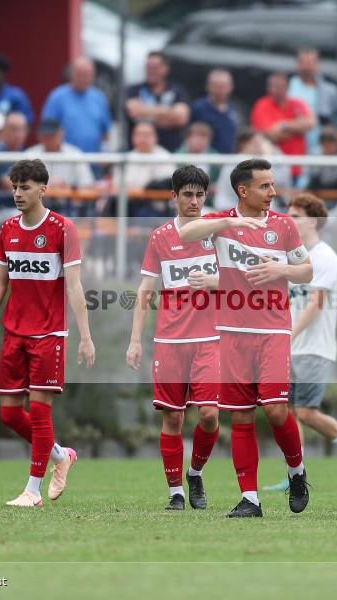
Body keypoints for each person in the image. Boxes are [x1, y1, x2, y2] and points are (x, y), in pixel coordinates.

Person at [179, 158, 313, 518]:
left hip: (272, 330)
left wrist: (281, 268)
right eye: (265, 186)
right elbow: (185, 233)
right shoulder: (222, 223)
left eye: (272, 185)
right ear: (244, 190)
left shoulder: (283, 226)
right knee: (240, 418)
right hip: (232, 332)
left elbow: (306, 271)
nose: (273, 192)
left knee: (275, 409)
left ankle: (297, 471)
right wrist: (231, 221)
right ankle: (250, 499)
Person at [0, 158, 96, 507]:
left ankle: (32, 491)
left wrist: (84, 336)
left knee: (39, 413)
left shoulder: (62, 229)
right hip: (14, 334)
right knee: (9, 414)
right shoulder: (7, 228)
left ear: (43, 188)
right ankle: (60, 455)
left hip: (49, 335)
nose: (19, 194)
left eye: (25, 187)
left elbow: (74, 287)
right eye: (14, 187)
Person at [126, 165, 221, 510]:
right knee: (173, 418)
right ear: (174, 197)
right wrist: (136, 339)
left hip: (211, 339)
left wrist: (214, 282)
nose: (194, 201)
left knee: (209, 415)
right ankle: (175, 492)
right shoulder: (160, 237)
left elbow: (244, 279)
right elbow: (146, 290)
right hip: (169, 342)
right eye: (187, 195)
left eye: (199, 195)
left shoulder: (219, 233)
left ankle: (194, 472)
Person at [264, 193, 337, 492]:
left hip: (314, 348)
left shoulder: (325, 257)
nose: (290, 220)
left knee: (305, 412)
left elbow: (315, 303)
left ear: (313, 220)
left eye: (297, 215)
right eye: (288, 214)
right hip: (289, 346)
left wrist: (288, 334)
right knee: (288, 411)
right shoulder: (291, 258)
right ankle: (296, 475)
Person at [250, 73, 315, 181]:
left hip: (297, 167)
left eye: (281, 87)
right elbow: (272, 134)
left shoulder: (297, 103)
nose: (277, 90)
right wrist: (297, 128)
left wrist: (283, 125)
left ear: (288, 87)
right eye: (274, 86)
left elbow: (310, 123)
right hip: (272, 168)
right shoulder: (262, 105)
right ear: (268, 88)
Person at [41, 57, 112, 155]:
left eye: (87, 74)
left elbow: (105, 132)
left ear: (93, 75)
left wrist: (106, 154)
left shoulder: (99, 99)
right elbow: (47, 130)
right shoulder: (57, 97)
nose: (83, 78)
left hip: (94, 161)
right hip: (65, 161)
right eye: (80, 74)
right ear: (71, 74)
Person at [25, 119, 96, 217]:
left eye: (52, 135)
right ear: (39, 136)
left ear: (61, 134)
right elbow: (21, 186)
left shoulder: (75, 154)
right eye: (45, 135)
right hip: (38, 209)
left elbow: (88, 184)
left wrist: (68, 187)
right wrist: (45, 186)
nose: (49, 139)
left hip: (70, 208)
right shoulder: (30, 154)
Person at [212, 128, 291, 212]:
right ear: (244, 145)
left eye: (261, 143)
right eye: (256, 143)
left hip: (251, 209)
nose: (260, 147)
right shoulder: (236, 162)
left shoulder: (262, 160)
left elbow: (281, 180)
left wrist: (271, 155)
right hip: (230, 208)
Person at [124, 51, 190, 152]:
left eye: (155, 67)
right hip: (140, 155)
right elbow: (134, 112)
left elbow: (181, 118)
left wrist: (146, 114)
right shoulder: (134, 90)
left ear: (166, 69)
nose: (150, 70)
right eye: (148, 67)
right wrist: (167, 112)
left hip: (171, 154)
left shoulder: (177, 91)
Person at [288, 48, 337, 152]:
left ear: (317, 65)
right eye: (303, 63)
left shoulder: (330, 92)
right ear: (297, 65)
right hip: (292, 146)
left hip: (321, 149)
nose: (306, 67)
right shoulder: (288, 88)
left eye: (310, 63)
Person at [123, 122, 176, 218]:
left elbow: (168, 187)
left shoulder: (164, 157)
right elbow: (116, 185)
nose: (142, 138)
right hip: (128, 206)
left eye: (146, 135)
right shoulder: (126, 158)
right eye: (138, 134)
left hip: (155, 209)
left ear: (155, 137)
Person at [189, 69, 238, 154]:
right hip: (206, 160)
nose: (219, 89)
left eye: (223, 85)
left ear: (231, 87)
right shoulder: (198, 108)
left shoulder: (237, 109)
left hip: (230, 159)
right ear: (207, 86)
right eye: (215, 85)